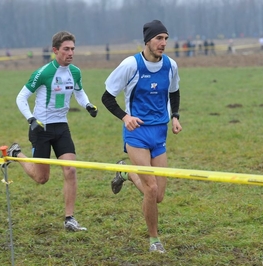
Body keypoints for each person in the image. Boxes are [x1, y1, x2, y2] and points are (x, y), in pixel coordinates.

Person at [3, 31, 98, 232]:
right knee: (42, 178)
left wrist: (87, 105)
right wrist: (31, 119)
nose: (70, 53)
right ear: (55, 51)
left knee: (70, 169)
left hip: (62, 126)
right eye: (66, 49)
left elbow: (79, 92)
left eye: (73, 49)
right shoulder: (44, 72)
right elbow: (21, 97)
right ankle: (16, 154)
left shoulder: (75, 72)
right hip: (41, 128)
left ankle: (69, 219)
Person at [101, 19, 182, 254]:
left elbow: (174, 91)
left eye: (166, 38)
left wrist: (175, 116)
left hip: (160, 132)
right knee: (151, 188)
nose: (163, 43)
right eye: (159, 38)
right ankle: (154, 240)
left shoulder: (171, 65)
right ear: (147, 40)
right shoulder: (131, 65)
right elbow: (107, 97)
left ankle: (125, 172)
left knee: (159, 196)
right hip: (136, 133)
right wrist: (125, 117)